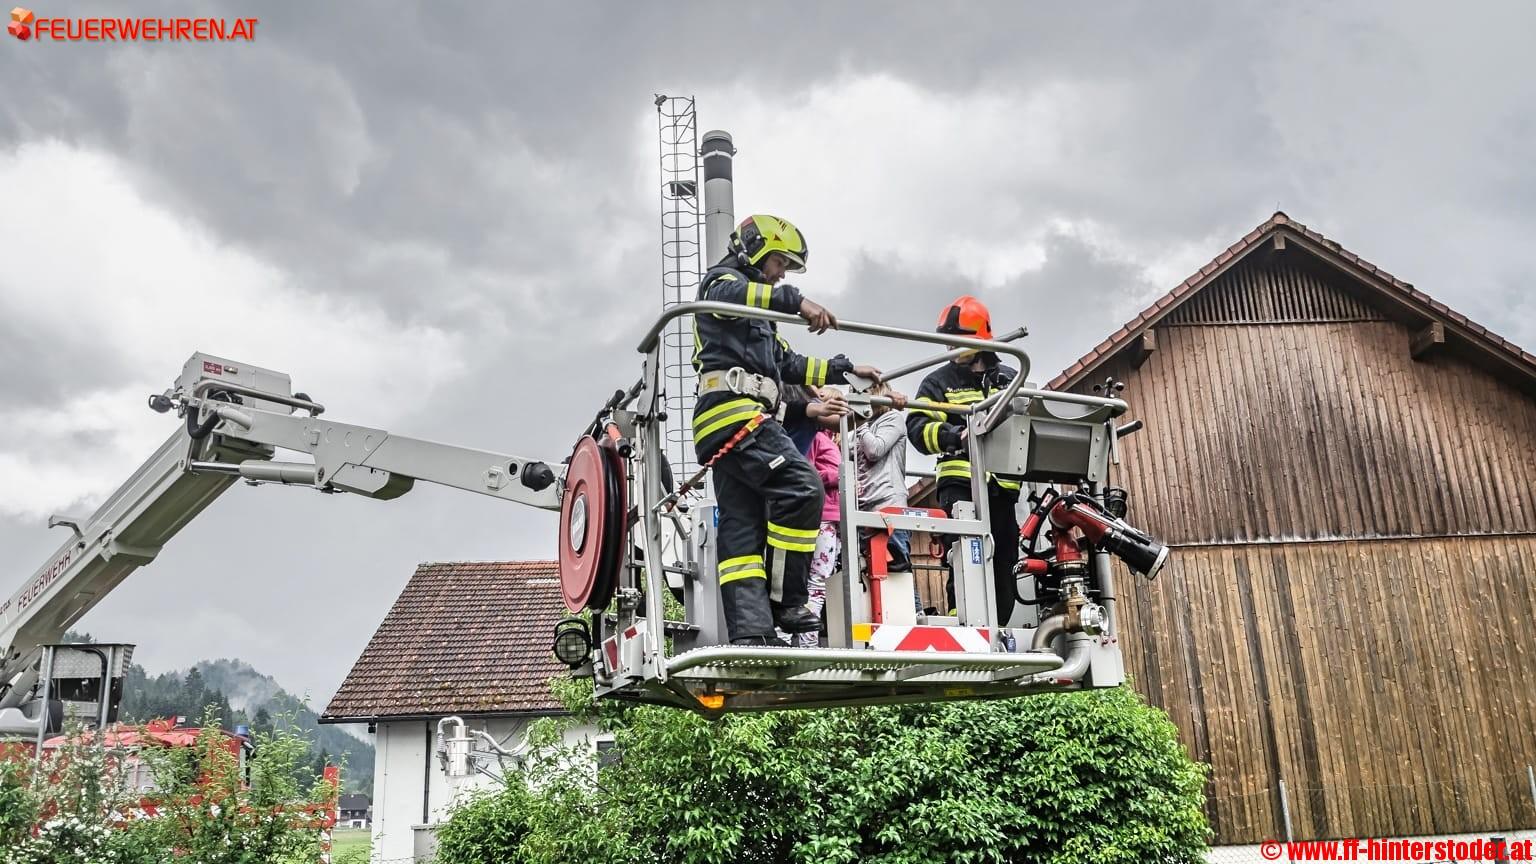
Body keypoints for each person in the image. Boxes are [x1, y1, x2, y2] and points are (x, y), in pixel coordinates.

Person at [692, 214, 882, 646]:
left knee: (742, 529)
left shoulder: (759, 317)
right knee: (803, 487)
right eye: (779, 263)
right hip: (734, 413)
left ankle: (753, 633)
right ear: (755, 250)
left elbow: (789, 363)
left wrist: (848, 370)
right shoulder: (720, 283)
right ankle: (786, 600)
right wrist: (797, 301)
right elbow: (734, 295)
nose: (781, 275)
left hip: (730, 422)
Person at [905, 295, 1021, 622]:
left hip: (1002, 487)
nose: (950, 348)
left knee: (1005, 560)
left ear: (980, 340)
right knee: (964, 556)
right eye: (947, 341)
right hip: (960, 485)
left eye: (958, 340)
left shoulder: (1009, 376)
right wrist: (954, 437)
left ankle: (999, 625)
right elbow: (917, 428)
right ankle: (965, 622)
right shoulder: (938, 382)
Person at [853, 380, 915, 588]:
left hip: (889, 503)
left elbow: (875, 450)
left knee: (898, 573)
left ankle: (911, 614)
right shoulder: (863, 427)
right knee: (871, 572)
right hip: (865, 507)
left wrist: (860, 425)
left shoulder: (892, 418)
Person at [795, 425, 843, 648]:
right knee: (815, 582)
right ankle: (805, 643)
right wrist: (839, 476)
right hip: (821, 516)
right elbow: (806, 471)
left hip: (828, 516)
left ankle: (799, 641)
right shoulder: (815, 437)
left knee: (814, 582)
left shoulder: (827, 439)